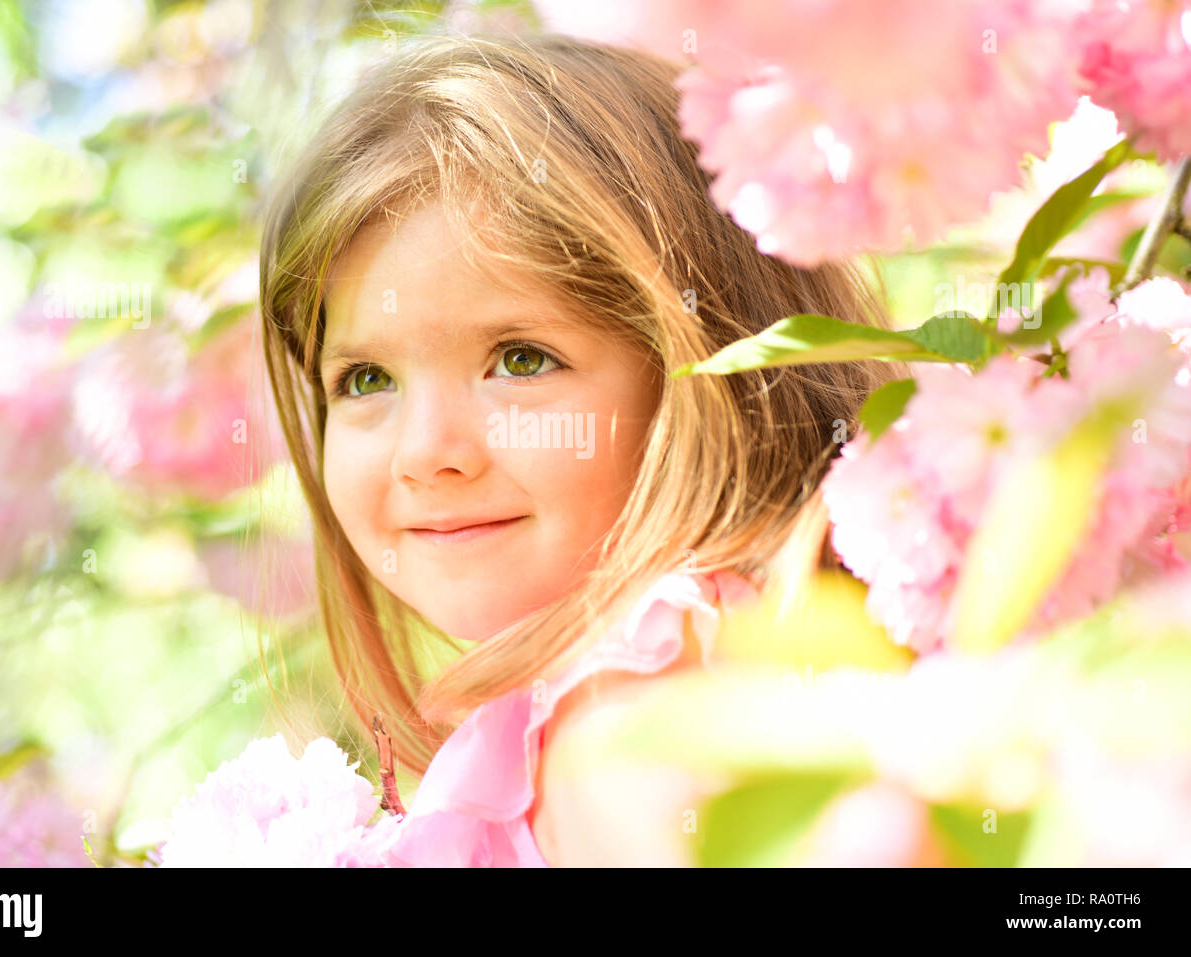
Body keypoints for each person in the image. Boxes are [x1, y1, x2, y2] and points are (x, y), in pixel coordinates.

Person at [258, 32, 899, 866]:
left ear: (703, 371)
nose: (426, 453)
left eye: (521, 360)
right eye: (366, 378)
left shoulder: (626, 727)